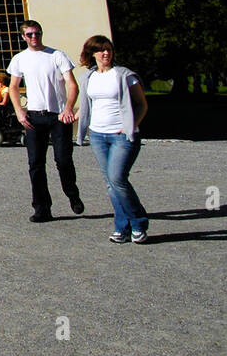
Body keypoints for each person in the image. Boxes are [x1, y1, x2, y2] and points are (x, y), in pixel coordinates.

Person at [75, 35, 150, 244]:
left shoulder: (124, 75)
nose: (105, 53)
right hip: (98, 135)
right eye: (100, 50)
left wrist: (131, 126)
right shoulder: (88, 77)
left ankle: (138, 222)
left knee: (117, 179)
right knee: (110, 183)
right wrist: (73, 115)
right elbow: (89, 104)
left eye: (108, 49)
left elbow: (142, 104)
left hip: (121, 136)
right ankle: (122, 228)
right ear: (92, 54)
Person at [8, 20, 83, 223]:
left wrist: (68, 107)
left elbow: (72, 85)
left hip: (58, 116)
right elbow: (13, 87)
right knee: (36, 164)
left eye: (37, 33)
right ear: (23, 37)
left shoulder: (56, 55)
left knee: (63, 160)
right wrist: (19, 111)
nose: (34, 37)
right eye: (30, 34)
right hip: (34, 116)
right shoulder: (19, 59)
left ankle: (72, 193)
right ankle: (42, 208)